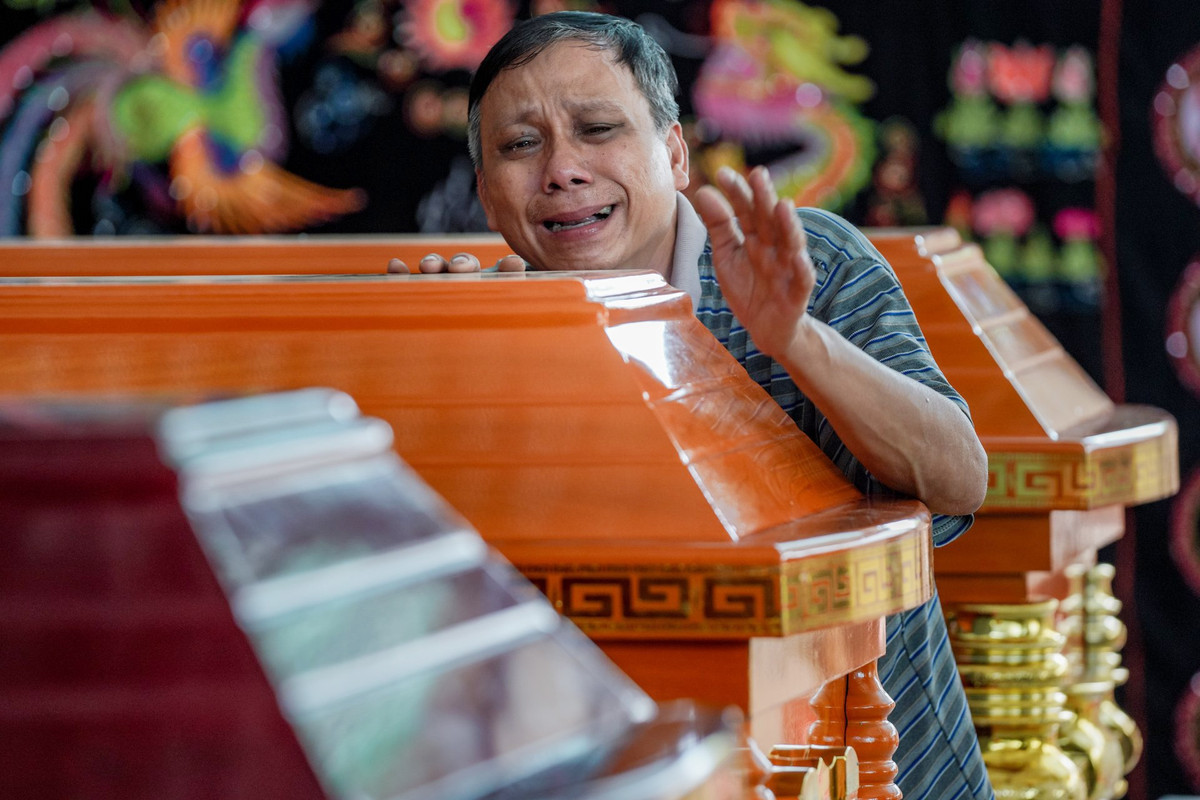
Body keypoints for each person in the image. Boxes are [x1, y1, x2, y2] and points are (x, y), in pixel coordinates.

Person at [393, 12, 992, 800]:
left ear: (674, 152)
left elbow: (960, 480)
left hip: (871, 765)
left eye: (598, 128)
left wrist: (794, 338)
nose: (562, 170)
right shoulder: (495, 323)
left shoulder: (804, 262)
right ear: (485, 192)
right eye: (519, 145)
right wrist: (431, 372)